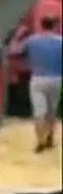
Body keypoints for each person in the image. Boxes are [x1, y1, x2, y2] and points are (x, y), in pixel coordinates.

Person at [12, 16, 62, 153]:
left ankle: (40, 142)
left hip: (37, 79)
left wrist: (17, 36)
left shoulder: (32, 40)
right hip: (56, 79)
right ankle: (50, 137)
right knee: (52, 111)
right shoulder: (60, 41)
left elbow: (14, 50)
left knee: (39, 113)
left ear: (42, 25)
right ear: (55, 26)